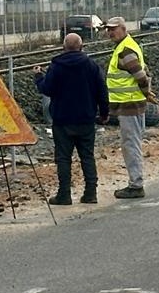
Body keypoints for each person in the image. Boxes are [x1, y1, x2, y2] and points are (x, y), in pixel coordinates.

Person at [33, 33, 109, 205]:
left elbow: (47, 89)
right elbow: (102, 92)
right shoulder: (91, 65)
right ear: (81, 47)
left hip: (62, 120)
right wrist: (104, 114)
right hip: (86, 119)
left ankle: (64, 195)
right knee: (87, 157)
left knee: (63, 158)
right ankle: (91, 193)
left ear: (63, 47)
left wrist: (38, 77)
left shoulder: (56, 66)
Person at [103, 16, 151, 199]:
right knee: (132, 143)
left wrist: (145, 93)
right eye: (108, 29)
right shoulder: (127, 45)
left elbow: (140, 76)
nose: (110, 32)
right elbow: (144, 72)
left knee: (130, 144)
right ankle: (135, 182)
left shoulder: (125, 50)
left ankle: (136, 185)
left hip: (130, 105)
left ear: (123, 29)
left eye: (113, 29)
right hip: (131, 103)